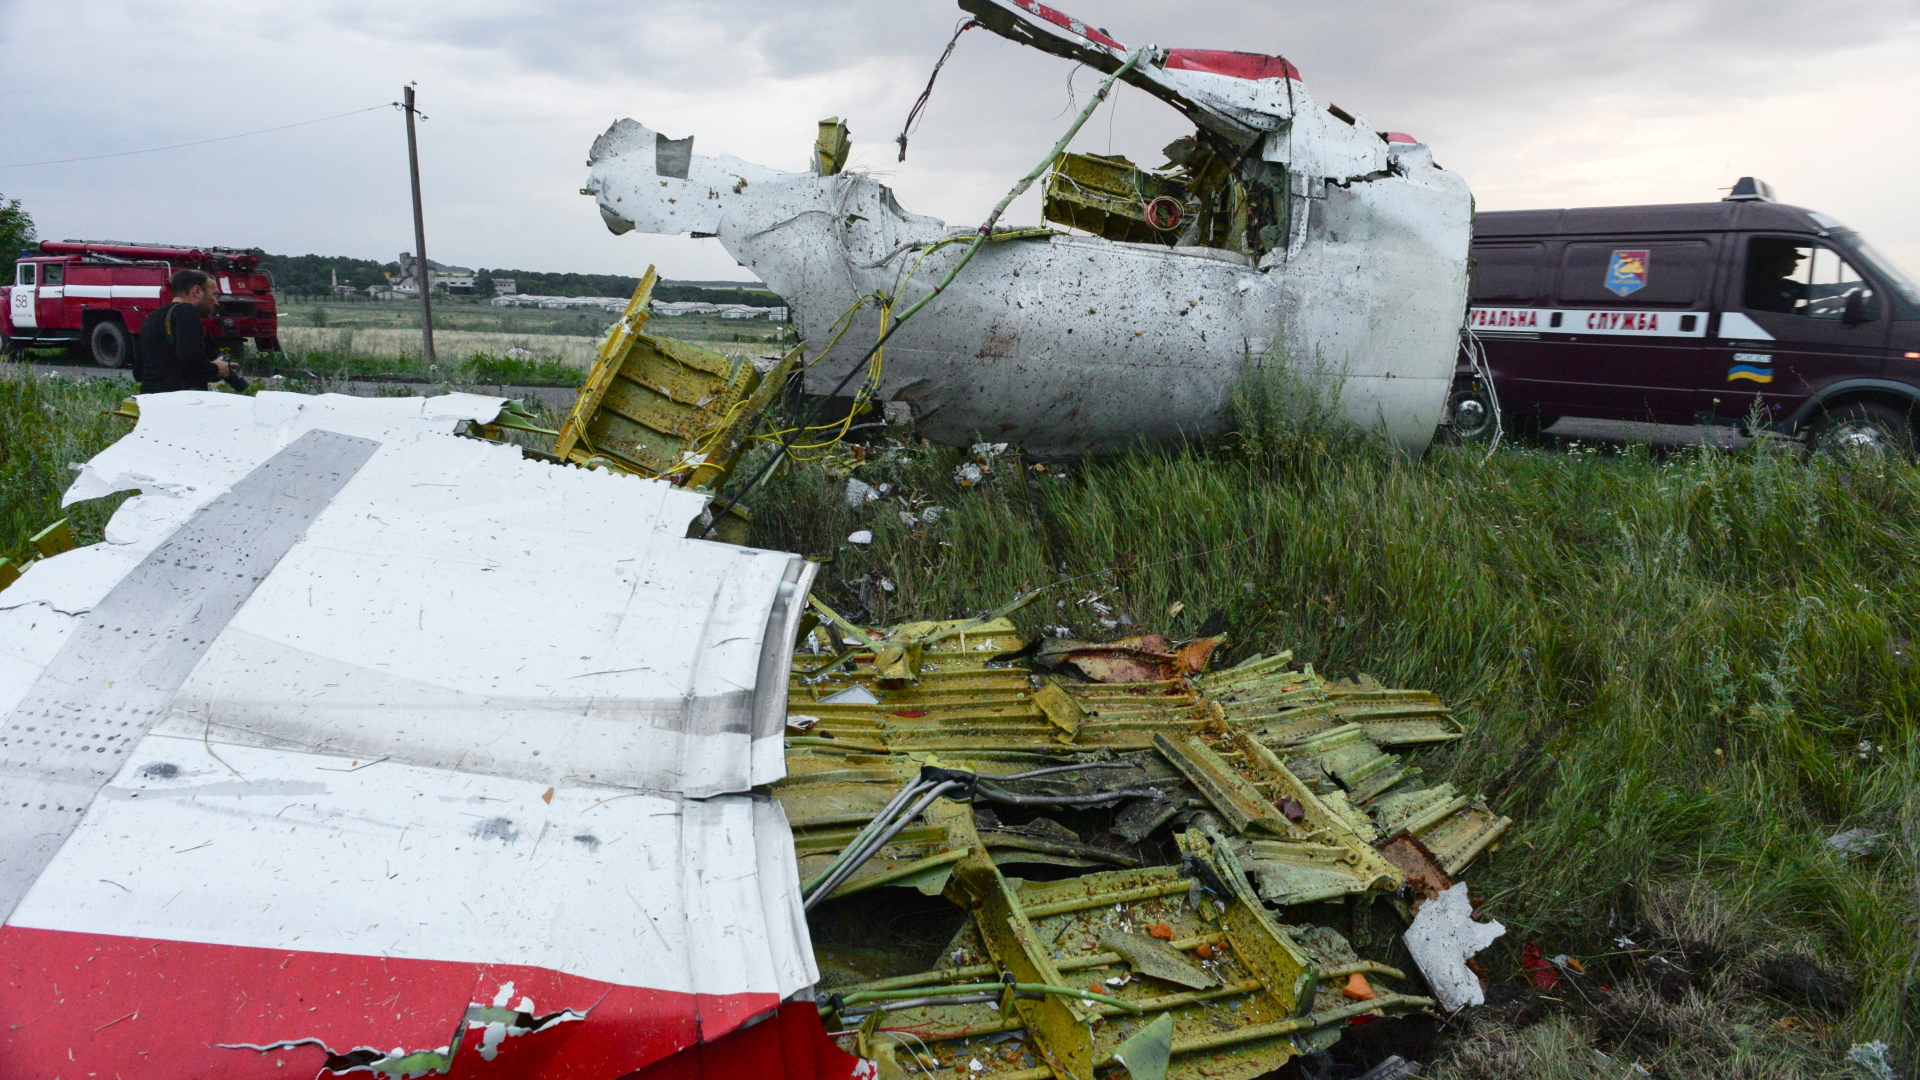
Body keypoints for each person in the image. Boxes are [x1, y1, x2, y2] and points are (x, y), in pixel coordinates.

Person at [137, 269, 234, 392]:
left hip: (148, 399)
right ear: (197, 291)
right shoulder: (187, 309)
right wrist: (216, 369)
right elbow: (188, 354)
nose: (216, 301)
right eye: (214, 295)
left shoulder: (151, 318)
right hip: (180, 400)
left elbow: (138, 371)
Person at [1744, 240, 1808, 315]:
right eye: (1793, 260)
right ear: (1782, 261)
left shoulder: (1788, 285)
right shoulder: (1762, 287)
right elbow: (1777, 313)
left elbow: (1814, 291)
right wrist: (1809, 308)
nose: (1796, 264)